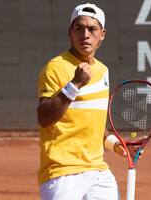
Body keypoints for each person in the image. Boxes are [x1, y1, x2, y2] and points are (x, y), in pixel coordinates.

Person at [37, 3, 137, 200]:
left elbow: (93, 126)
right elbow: (44, 117)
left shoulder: (103, 71)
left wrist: (115, 145)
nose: (85, 35)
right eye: (79, 28)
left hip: (98, 171)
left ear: (102, 34)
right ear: (70, 32)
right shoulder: (56, 67)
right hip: (62, 173)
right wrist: (74, 84)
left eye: (92, 29)